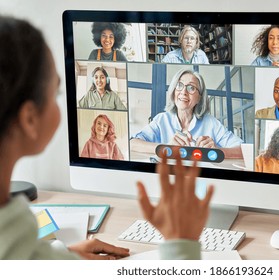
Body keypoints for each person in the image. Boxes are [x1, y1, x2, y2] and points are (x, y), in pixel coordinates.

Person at [0, 15, 211, 260]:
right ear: (29, 119)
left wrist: (62, 255)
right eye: (57, 91)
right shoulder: (162, 119)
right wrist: (182, 242)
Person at [130, 69, 243, 159]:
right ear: (174, 91)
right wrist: (166, 148)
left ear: (199, 97)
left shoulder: (211, 123)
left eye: (191, 88)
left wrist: (217, 151)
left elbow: (243, 150)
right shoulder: (161, 119)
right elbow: (133, 143)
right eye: (179, 85)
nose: (183, 92)